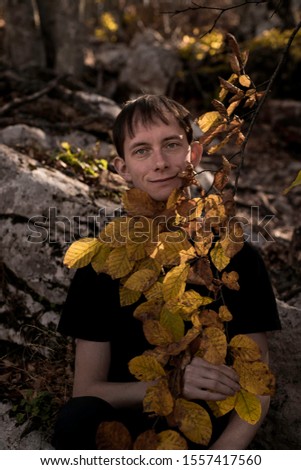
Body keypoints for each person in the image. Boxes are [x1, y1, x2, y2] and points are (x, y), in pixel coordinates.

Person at [52, 94, 281, 450]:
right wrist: (172, 384)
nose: (160, 162)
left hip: (203, 437)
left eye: (171, 145)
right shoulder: (102, 265)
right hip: (127, 431)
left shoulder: (235, 255)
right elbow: (87, 392)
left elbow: (259, 386)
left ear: (194, 154)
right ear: (122, 168)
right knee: (76, 419)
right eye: (142, 150)